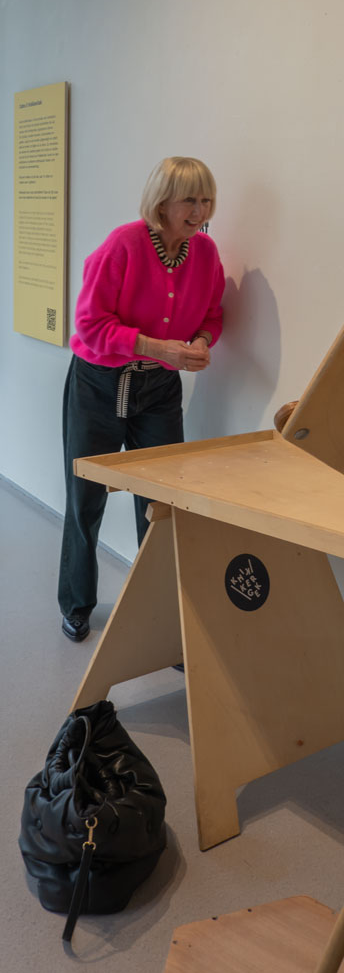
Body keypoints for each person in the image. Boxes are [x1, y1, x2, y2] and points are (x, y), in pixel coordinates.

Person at [59, 157, 225, 641]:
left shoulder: (207, 253)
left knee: (161, 505)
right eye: (190, 199)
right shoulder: (124, 245)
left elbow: (212, 315)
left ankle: (161, 620)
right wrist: (156, 346)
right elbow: (89, 325)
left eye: (206, 198)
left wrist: (200, 344)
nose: (200, 209)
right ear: (161, 202)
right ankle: (76, 604)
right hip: (97, 384)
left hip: (158, 389)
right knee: (85, 499)